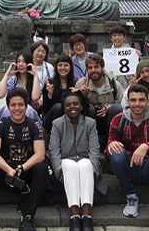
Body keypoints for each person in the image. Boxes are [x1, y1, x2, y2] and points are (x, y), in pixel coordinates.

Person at [106, 85, 149, 231]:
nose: (137, 104)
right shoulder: (118, 120)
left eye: (141, 100)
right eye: (133, 100)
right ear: (128, 102)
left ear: (148, 102)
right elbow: (108, 151)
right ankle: (131, 196)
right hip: (128, 169)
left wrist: (147, 146)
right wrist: (113, 145)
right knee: (115, 152)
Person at [0, 88, 48, 231]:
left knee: (41, 168)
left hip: (28, 168)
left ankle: (28, 216)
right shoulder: (1, 124)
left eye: (20, 105)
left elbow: (40, 154)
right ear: (8, 107)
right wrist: (9, 170)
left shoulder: (34, 125)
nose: (17, 108)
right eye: (13, 105)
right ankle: (23, 190)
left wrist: (22, 168)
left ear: (26, 106)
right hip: (9, 170)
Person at [49, 91, 104, 231]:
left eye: (75, 104)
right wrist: (58, 171)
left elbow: (94, 150)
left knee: (86, 164)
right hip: (66, 161)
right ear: (64, 107)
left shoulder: (90, 123)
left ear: (81, 106)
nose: (72, 107)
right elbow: (54, 151)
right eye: (68, 105)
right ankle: (74, 216)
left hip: (85, 161)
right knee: (70, 166)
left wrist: (93, 169)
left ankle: (86, 216)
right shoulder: (57, 124)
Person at [75, 54, 122, 142]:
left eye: (96, 67)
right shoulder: (81, 83)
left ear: (102, 68)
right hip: (90, 119)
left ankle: (112, 140)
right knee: (88, 108)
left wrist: (107, 108)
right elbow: (75, 107)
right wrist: (82, 95)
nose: (93, 70)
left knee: (116, 108)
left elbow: (119, 103)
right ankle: (89, 141)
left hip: (108, 120)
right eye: (90, 68)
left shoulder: (115, 85)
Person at [0, 51, 41, 122]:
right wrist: (7, 74)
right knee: (7, 110)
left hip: (29, 114)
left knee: (27, 109)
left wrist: (35, 76)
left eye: (24, 62)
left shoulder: (35, 80)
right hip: (12, 111)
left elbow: (35, 97)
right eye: (18, 61)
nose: (21, 64)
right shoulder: (12, 80)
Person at [42, 55, 78, 132]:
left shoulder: (75, 83)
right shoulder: (50, 83)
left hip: (70, 116)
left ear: (70, 67)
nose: (63, 68)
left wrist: (79, 94)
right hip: (52, 119)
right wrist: (50, 94)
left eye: (66, 65)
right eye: (60, 65)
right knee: (58, 107)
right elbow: (45, 109)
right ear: (56, 67)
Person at [109, 26, 140, 90]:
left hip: (129, 82)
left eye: (120, 35)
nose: (117, 38)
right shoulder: (108, 53)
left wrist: (138, 57)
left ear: (124, 37)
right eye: (114, 35)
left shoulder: (131, 51)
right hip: (114, 84)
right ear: (111, 38)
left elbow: (136, 68)